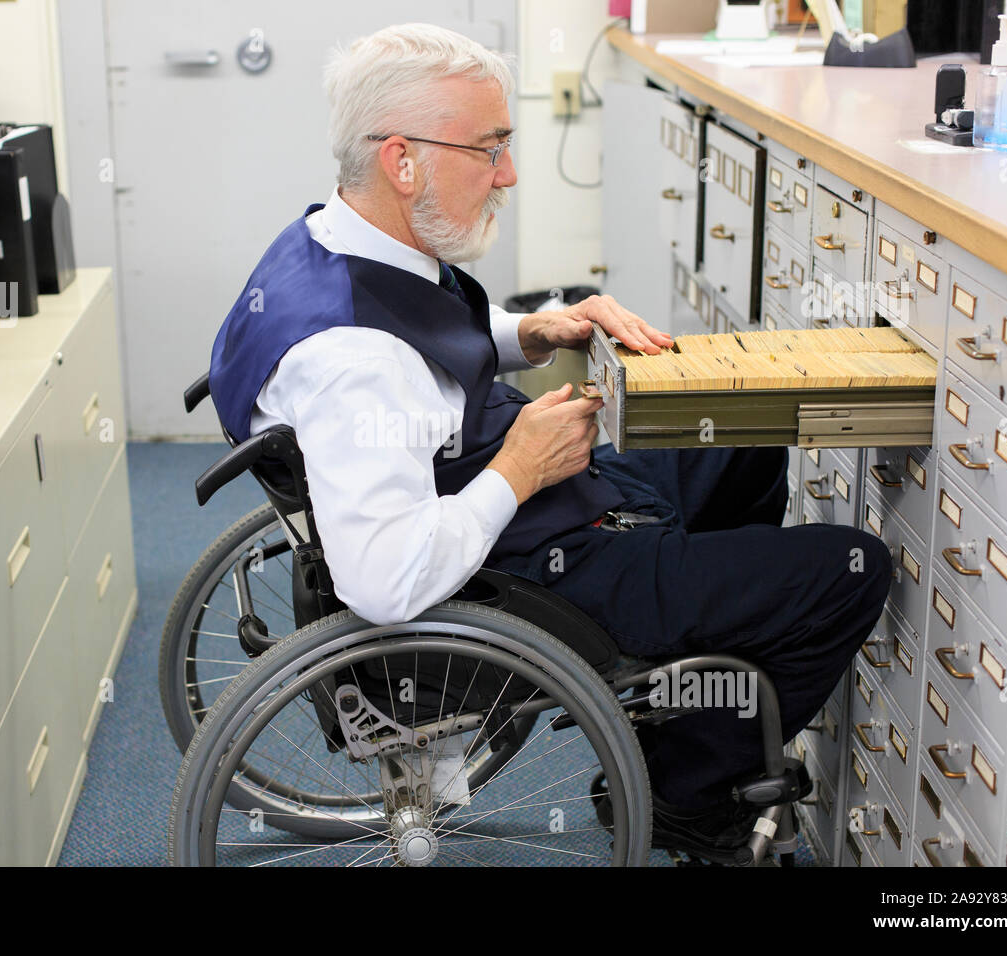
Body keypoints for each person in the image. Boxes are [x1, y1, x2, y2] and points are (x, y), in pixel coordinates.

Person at [208, 22, 891, 853]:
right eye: (489, 148)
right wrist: (523, 467)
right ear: (402, 160)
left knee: (742, 433)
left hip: (517, 496)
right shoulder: (357, 365)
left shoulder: (327, 242)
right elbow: (386, 583)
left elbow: (419, 339)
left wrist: (533, 332)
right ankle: (687, 790)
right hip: (531, 567)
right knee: (851, 571)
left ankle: (689, 678)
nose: (510, 172)